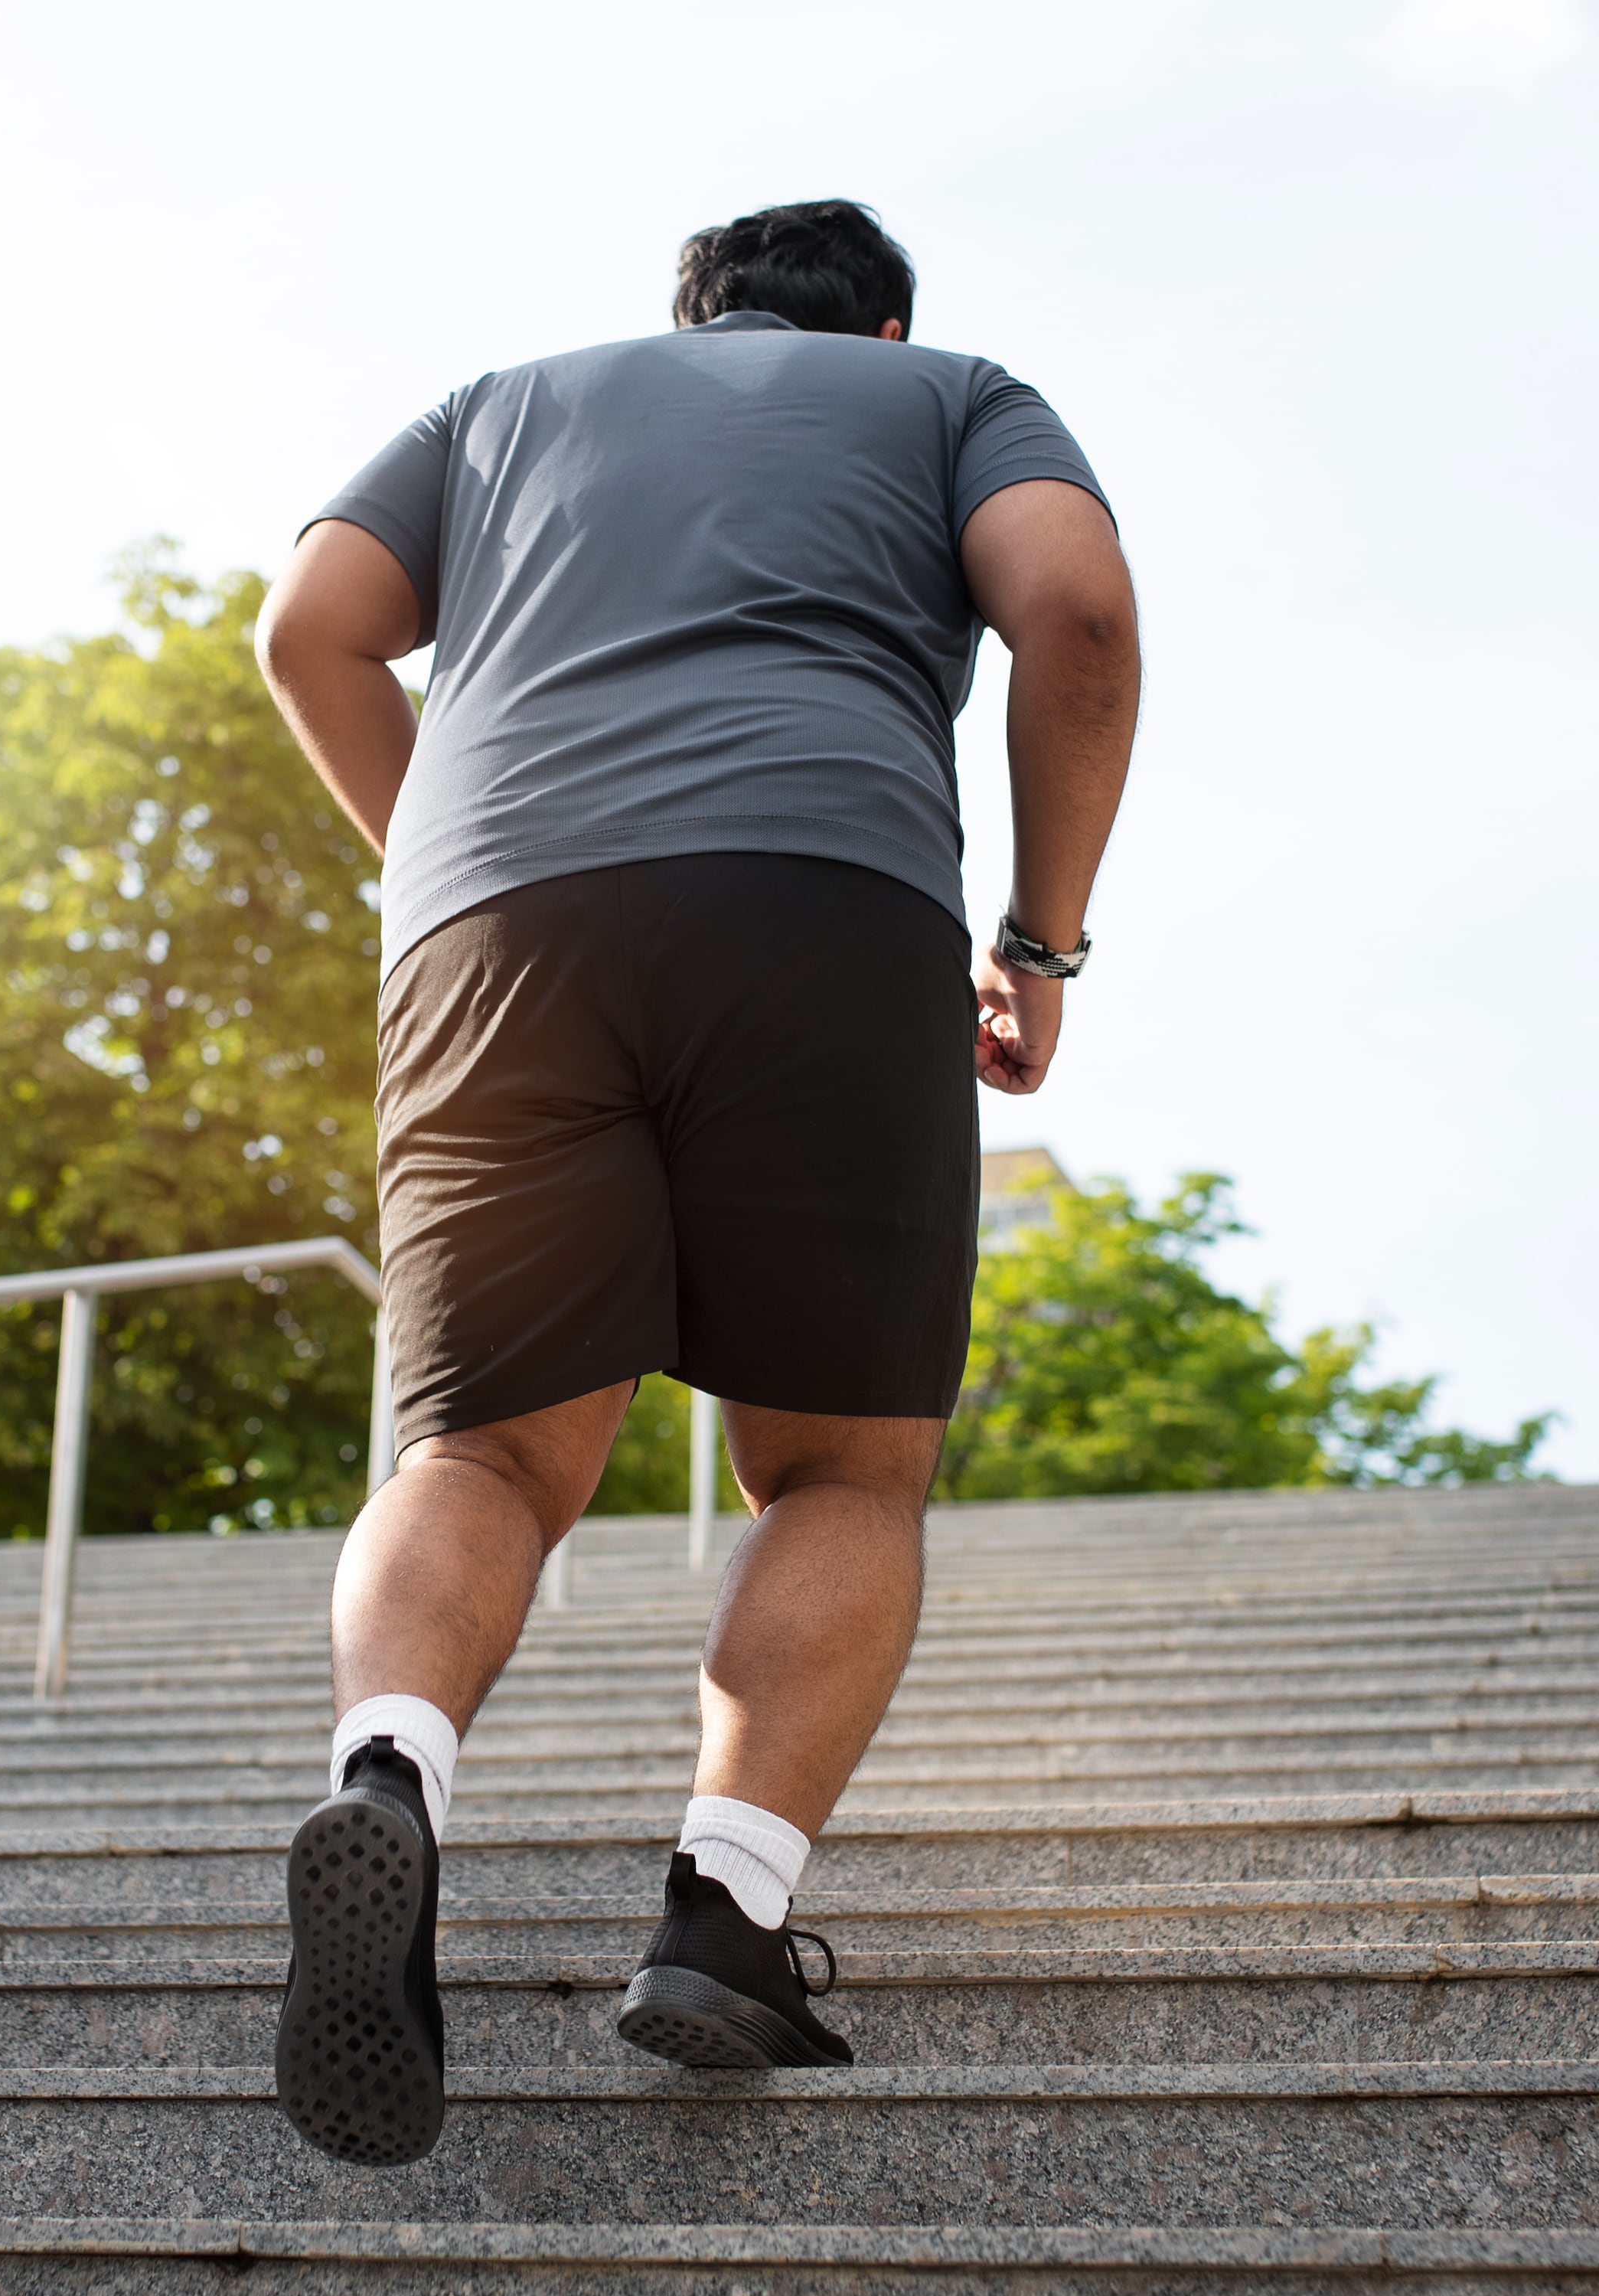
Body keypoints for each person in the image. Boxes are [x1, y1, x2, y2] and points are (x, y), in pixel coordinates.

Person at [253, 198, 1139, 2165]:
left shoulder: (499, 407)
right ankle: (723, 1914)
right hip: (823, 905)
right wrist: (1040, 943)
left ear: (689, 316)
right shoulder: (947, 397)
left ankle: (387, 1780)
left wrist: (449, 860)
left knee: (475, 1455)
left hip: (497, 931)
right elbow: (1073, 608)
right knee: (837, 1466)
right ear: (884, 322)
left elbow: (307, 628)